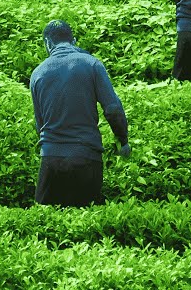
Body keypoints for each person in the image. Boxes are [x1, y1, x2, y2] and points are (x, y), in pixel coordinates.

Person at [28, 20, 130, 207]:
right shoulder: (92, 64)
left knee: (46, 225)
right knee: (86, 221)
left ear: (47, 43)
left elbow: (39, 124)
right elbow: (113, 109)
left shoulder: (38, 73)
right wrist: (122, 140)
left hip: (51, 160)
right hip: (86, 157)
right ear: (73, 41)